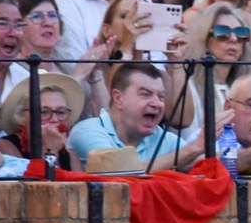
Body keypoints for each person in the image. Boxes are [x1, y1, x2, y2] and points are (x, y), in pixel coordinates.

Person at [67, 62, 215, 171]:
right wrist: (193, 149)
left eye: (161, 97)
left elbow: (206, 163)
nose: (156, 103)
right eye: (145, 94)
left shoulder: (161, 137)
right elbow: (118, 171)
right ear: (118, 98)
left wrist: (230, 152)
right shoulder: (87, 131)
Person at [0, 72, 87, 168]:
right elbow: (39, 177)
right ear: (22, 115)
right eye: (44, 112)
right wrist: (49, 150)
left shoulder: (71, 156)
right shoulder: (4, 147)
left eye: (61, 112)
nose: (54, 119)